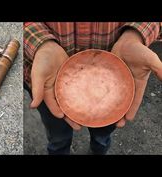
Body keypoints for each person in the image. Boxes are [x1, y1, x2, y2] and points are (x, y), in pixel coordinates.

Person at [23, 22, 162, 155]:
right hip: (49, 79)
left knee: (103, 135)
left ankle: (99, 149)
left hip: (117, 80)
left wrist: (134, 35)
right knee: (58, 137)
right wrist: (41, 43)